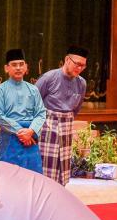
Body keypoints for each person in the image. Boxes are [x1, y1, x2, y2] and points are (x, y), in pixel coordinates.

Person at [36, 45, 88, 185]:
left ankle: (59, 194)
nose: (79, 68)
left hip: (66, 126)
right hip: (47, 126)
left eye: (83, 66)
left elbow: (76, 109)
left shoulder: (82, 83)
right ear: (67, 60)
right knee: (46, 166)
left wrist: (66, 120)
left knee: (63, 166)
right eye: (77, 64)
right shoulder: (49, 78)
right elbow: (33, 103)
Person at [0, 49, 46, 173]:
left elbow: (41, 113)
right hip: (10, 137)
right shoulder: (0, 90)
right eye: (14, 65)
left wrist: (31, 131)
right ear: (6, 68)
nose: (18, 68)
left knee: (33, 177)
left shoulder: (33, 90)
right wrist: (21, 132)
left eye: (21, 64)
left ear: (26, 67)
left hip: (31, 138)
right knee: (9, 176)